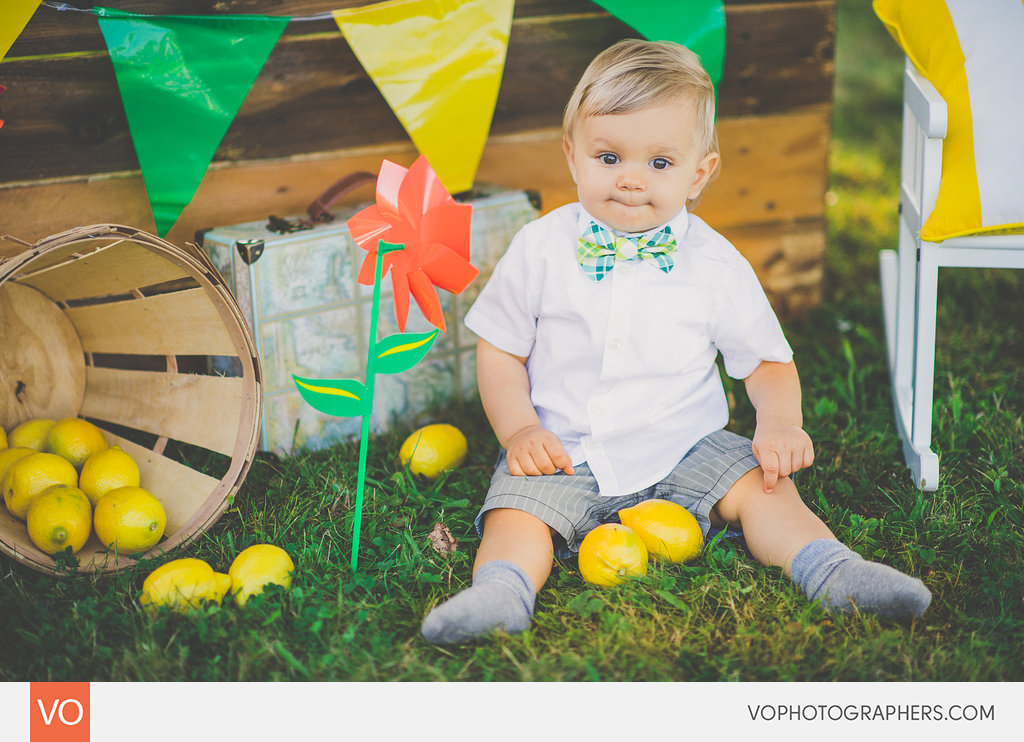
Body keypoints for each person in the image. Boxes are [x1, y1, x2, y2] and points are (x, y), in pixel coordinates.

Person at [421, 39, 930, 645]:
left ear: (699, 173)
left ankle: (835, 571)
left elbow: (767, 362)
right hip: (564, 449)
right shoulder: (540, 247)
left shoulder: (714, 262)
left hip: (686, 445)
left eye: (660, 164)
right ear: (572, 155)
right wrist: (520, 431)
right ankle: (501, 592)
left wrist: (779, 424)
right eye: (608, 157)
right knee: (515, 511)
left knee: (765, 488)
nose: (632, 180)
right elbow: (500, 348)